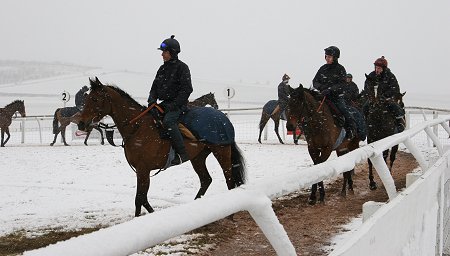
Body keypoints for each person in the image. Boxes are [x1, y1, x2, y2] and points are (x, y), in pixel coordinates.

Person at [148, 35, 193, 166]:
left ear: (172, 53)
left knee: (168, 121)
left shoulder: (182, 68)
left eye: (164, 52)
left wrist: (174, 105)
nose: (162, 54)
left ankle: (182, 153)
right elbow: (154, 88)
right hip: (164, 104)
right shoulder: (162, 69)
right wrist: (152, 101)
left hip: (177, 105)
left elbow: (187, 89)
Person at [312, 46, 357, 139]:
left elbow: (342, 84)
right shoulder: (322, 68)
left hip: (336, 97)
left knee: (343, 110)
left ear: (335, 58)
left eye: (329, 56)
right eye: (326, 56)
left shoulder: (340, 69)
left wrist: (330, 89)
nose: (327, 58)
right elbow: (315, 81)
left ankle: (351, 130)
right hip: (323, 96)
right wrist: (321, 87)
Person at [363, 56, 405, 132]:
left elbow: (395, 88)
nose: (377, 70)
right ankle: (364, 125)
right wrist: (369, 95)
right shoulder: (371, 75)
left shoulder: (390, 76)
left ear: (384, 68)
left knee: (395, 107)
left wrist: (385, 96)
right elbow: (367, 87)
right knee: (365, 107)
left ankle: (400, 123)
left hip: (386, 98)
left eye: (379, 68)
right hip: (373, 98)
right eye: (376, 67)